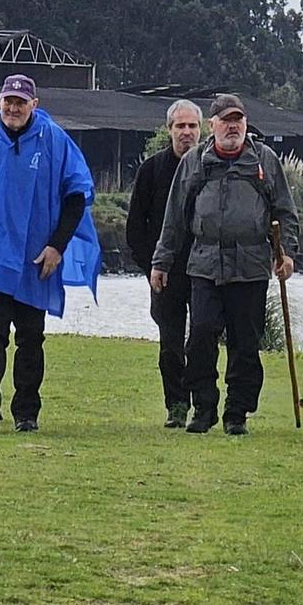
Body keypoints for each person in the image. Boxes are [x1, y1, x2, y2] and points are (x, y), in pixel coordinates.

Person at [0, 74, 101, 433]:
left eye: (20, 102)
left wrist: (57, 246)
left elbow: (76, 196)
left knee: (31, 336)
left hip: (36, 259)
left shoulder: (56, 141)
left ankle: (26, 411)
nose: (13, 108)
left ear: (34, 105)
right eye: (7, 101)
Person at [151, 94, 297, 436]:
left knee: (245, 342)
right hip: (203, 263)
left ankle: (237, 413)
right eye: (226, 120)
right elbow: (174, 218)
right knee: (200, 335)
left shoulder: (264, 160)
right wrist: (162, 261)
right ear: (211, 125)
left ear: (245, 124)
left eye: (238, 120)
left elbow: (285, 212)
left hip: (250, 265)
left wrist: (287, 253)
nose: (233, 126)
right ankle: (203, 408)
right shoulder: (194, 162)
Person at [125, 98, 203, 428]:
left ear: (202, 130)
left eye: (192, 126)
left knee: (201, 340)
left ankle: (203, 403)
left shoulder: (210, 167)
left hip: (204, 271)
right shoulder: (152, 170)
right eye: (180, 126)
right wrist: (152, 267)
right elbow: (135, 228)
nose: (186, 132)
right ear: (169, 129)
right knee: (170, 343)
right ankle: (176, 405)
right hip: (165, 273)